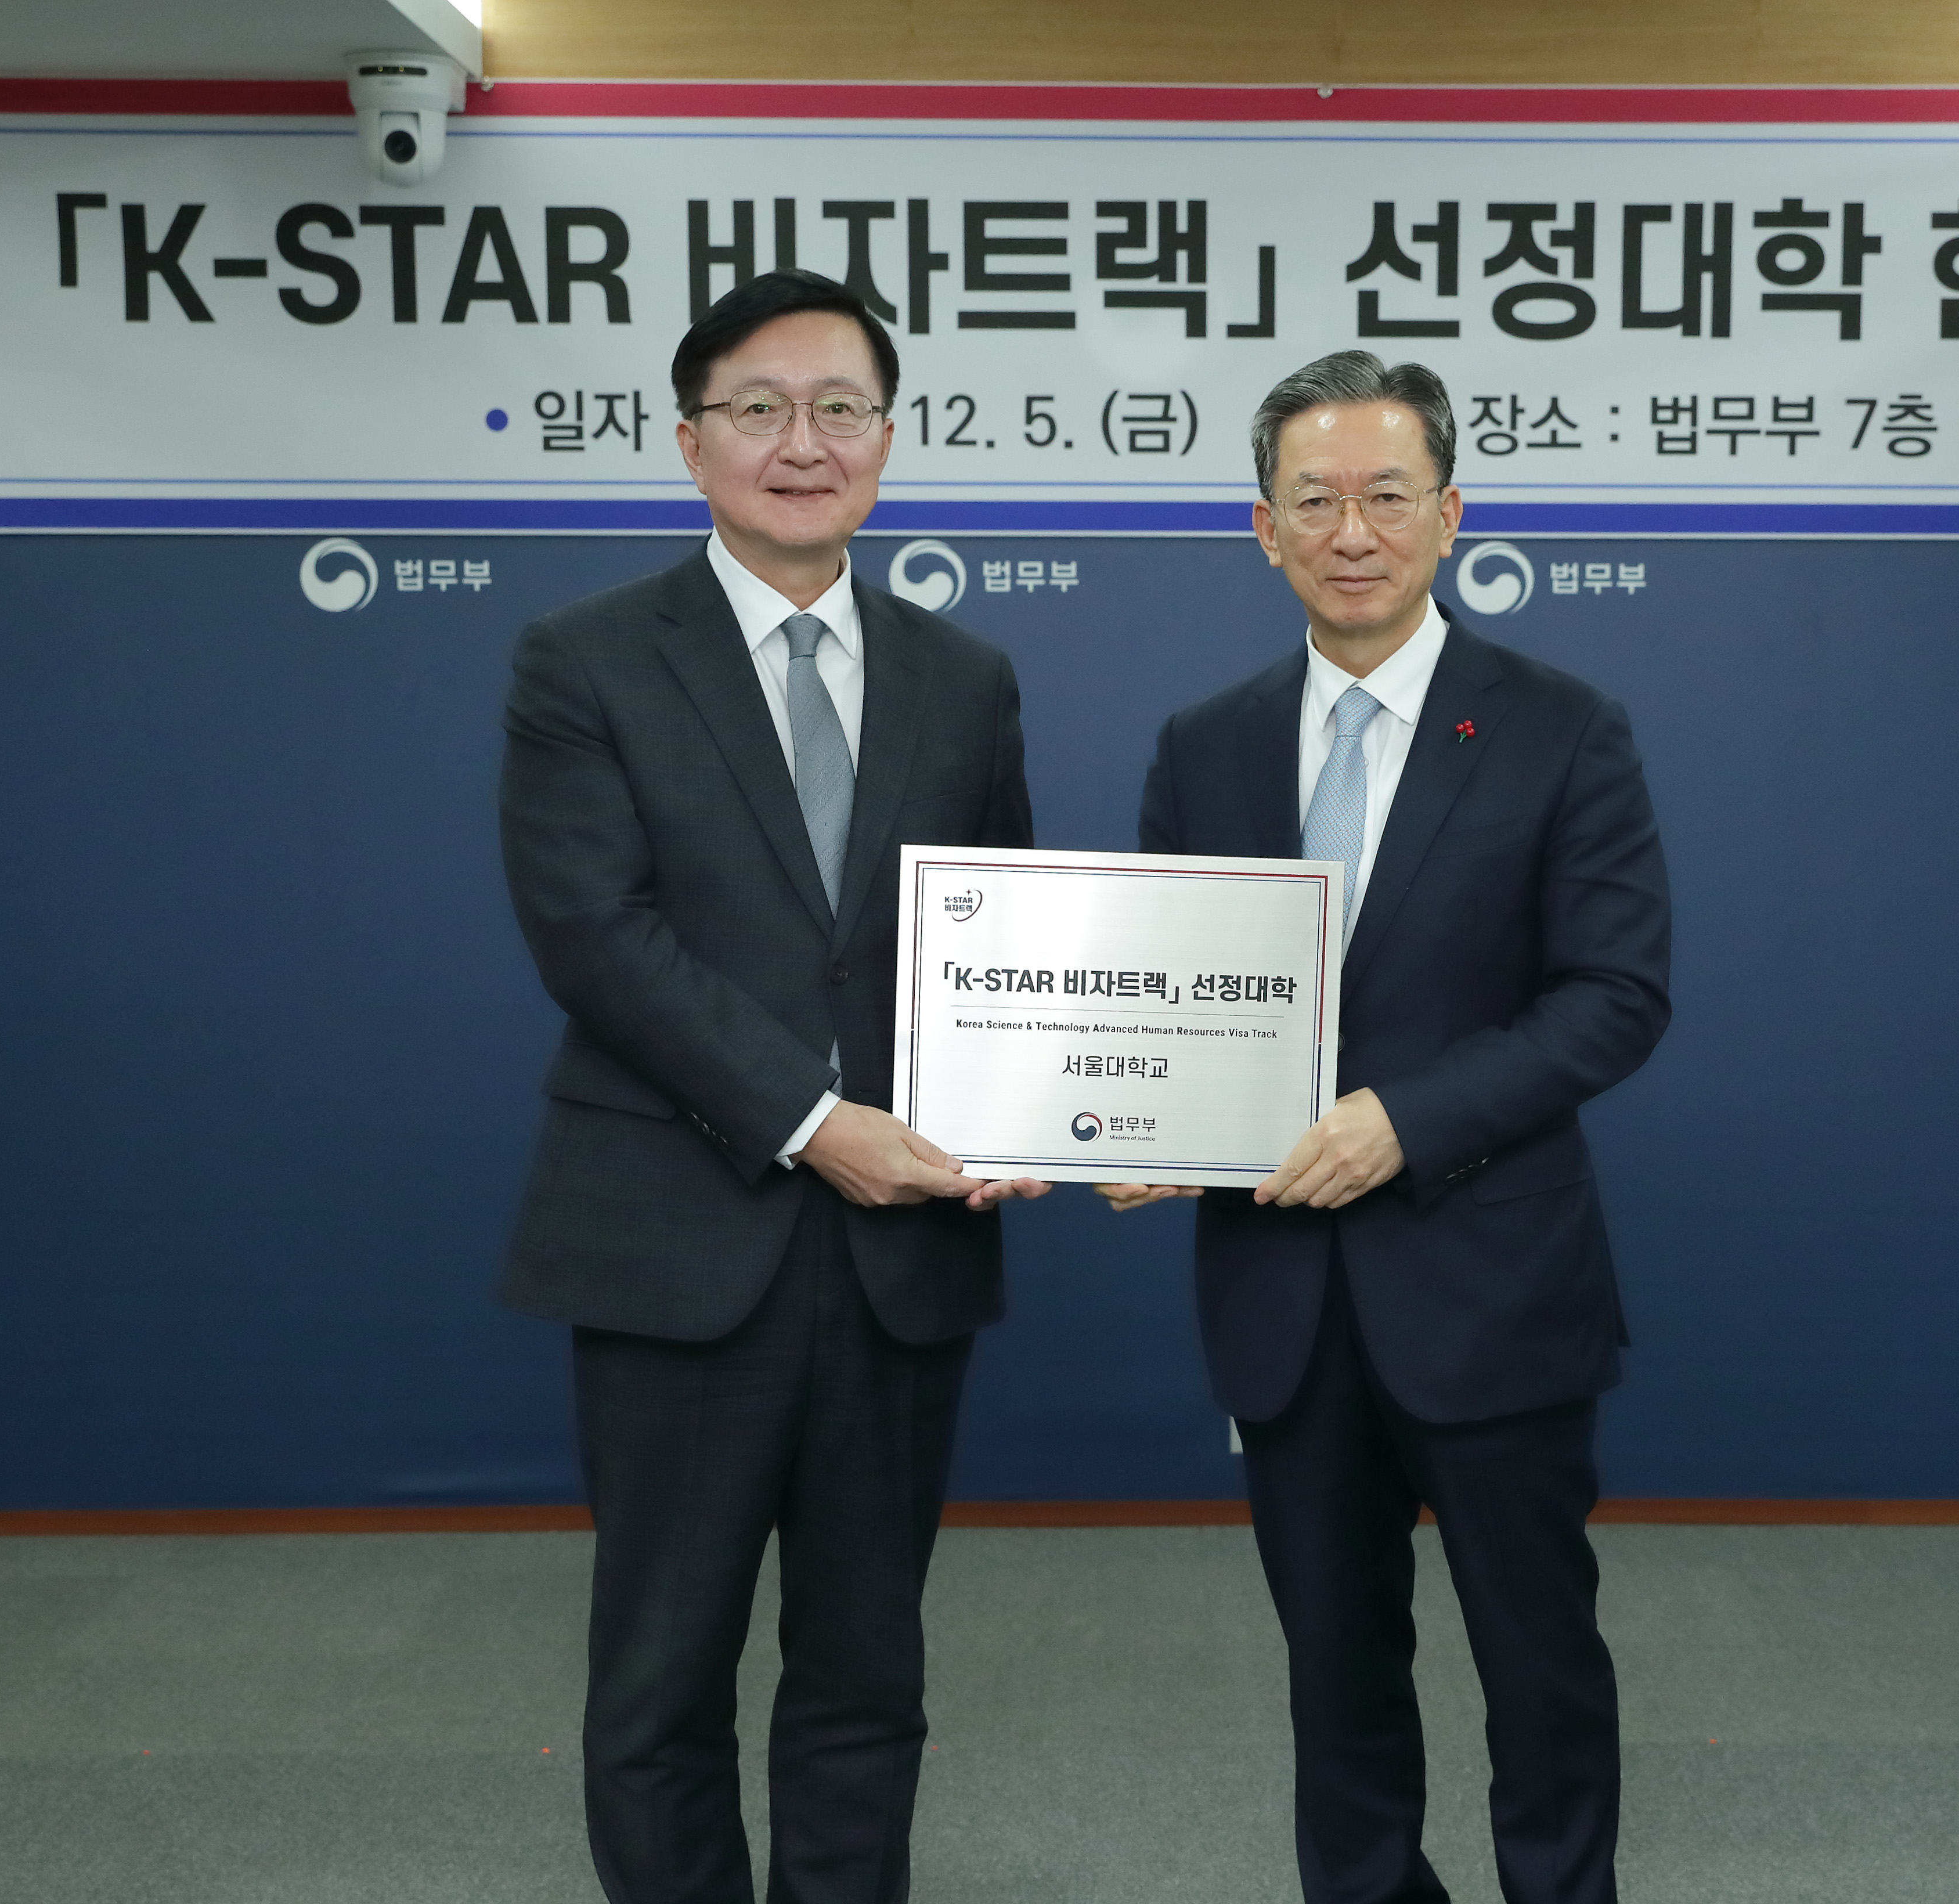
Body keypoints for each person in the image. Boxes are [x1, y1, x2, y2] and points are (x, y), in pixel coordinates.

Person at [496, 266, 1045, 1904]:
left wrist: (1026, 1107)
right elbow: (596, 937)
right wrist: (816, 1125)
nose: (804, 443)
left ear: (888, 435)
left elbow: (999, 939)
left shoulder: (966, 677)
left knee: (869, 1673)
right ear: (692, 441)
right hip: (680, 1234)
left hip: (901, 1253)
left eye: (841, 409)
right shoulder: (585, 660)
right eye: (759, 408)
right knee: (662, 1680)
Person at [1102, 350, 1672, 1904]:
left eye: (1386, 496)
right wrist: (1142, 1117)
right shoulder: (1205, 744)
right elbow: (1169, 994)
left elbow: (1614, 997)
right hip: (1283, 1296)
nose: (1352, 532)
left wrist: (1403, 1123)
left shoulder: (1561, 728)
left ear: (1449, 513)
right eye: (1314, 501)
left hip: (1490, 1283)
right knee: (1335, 1672)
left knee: (1539, 1666)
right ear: (1264, 528)